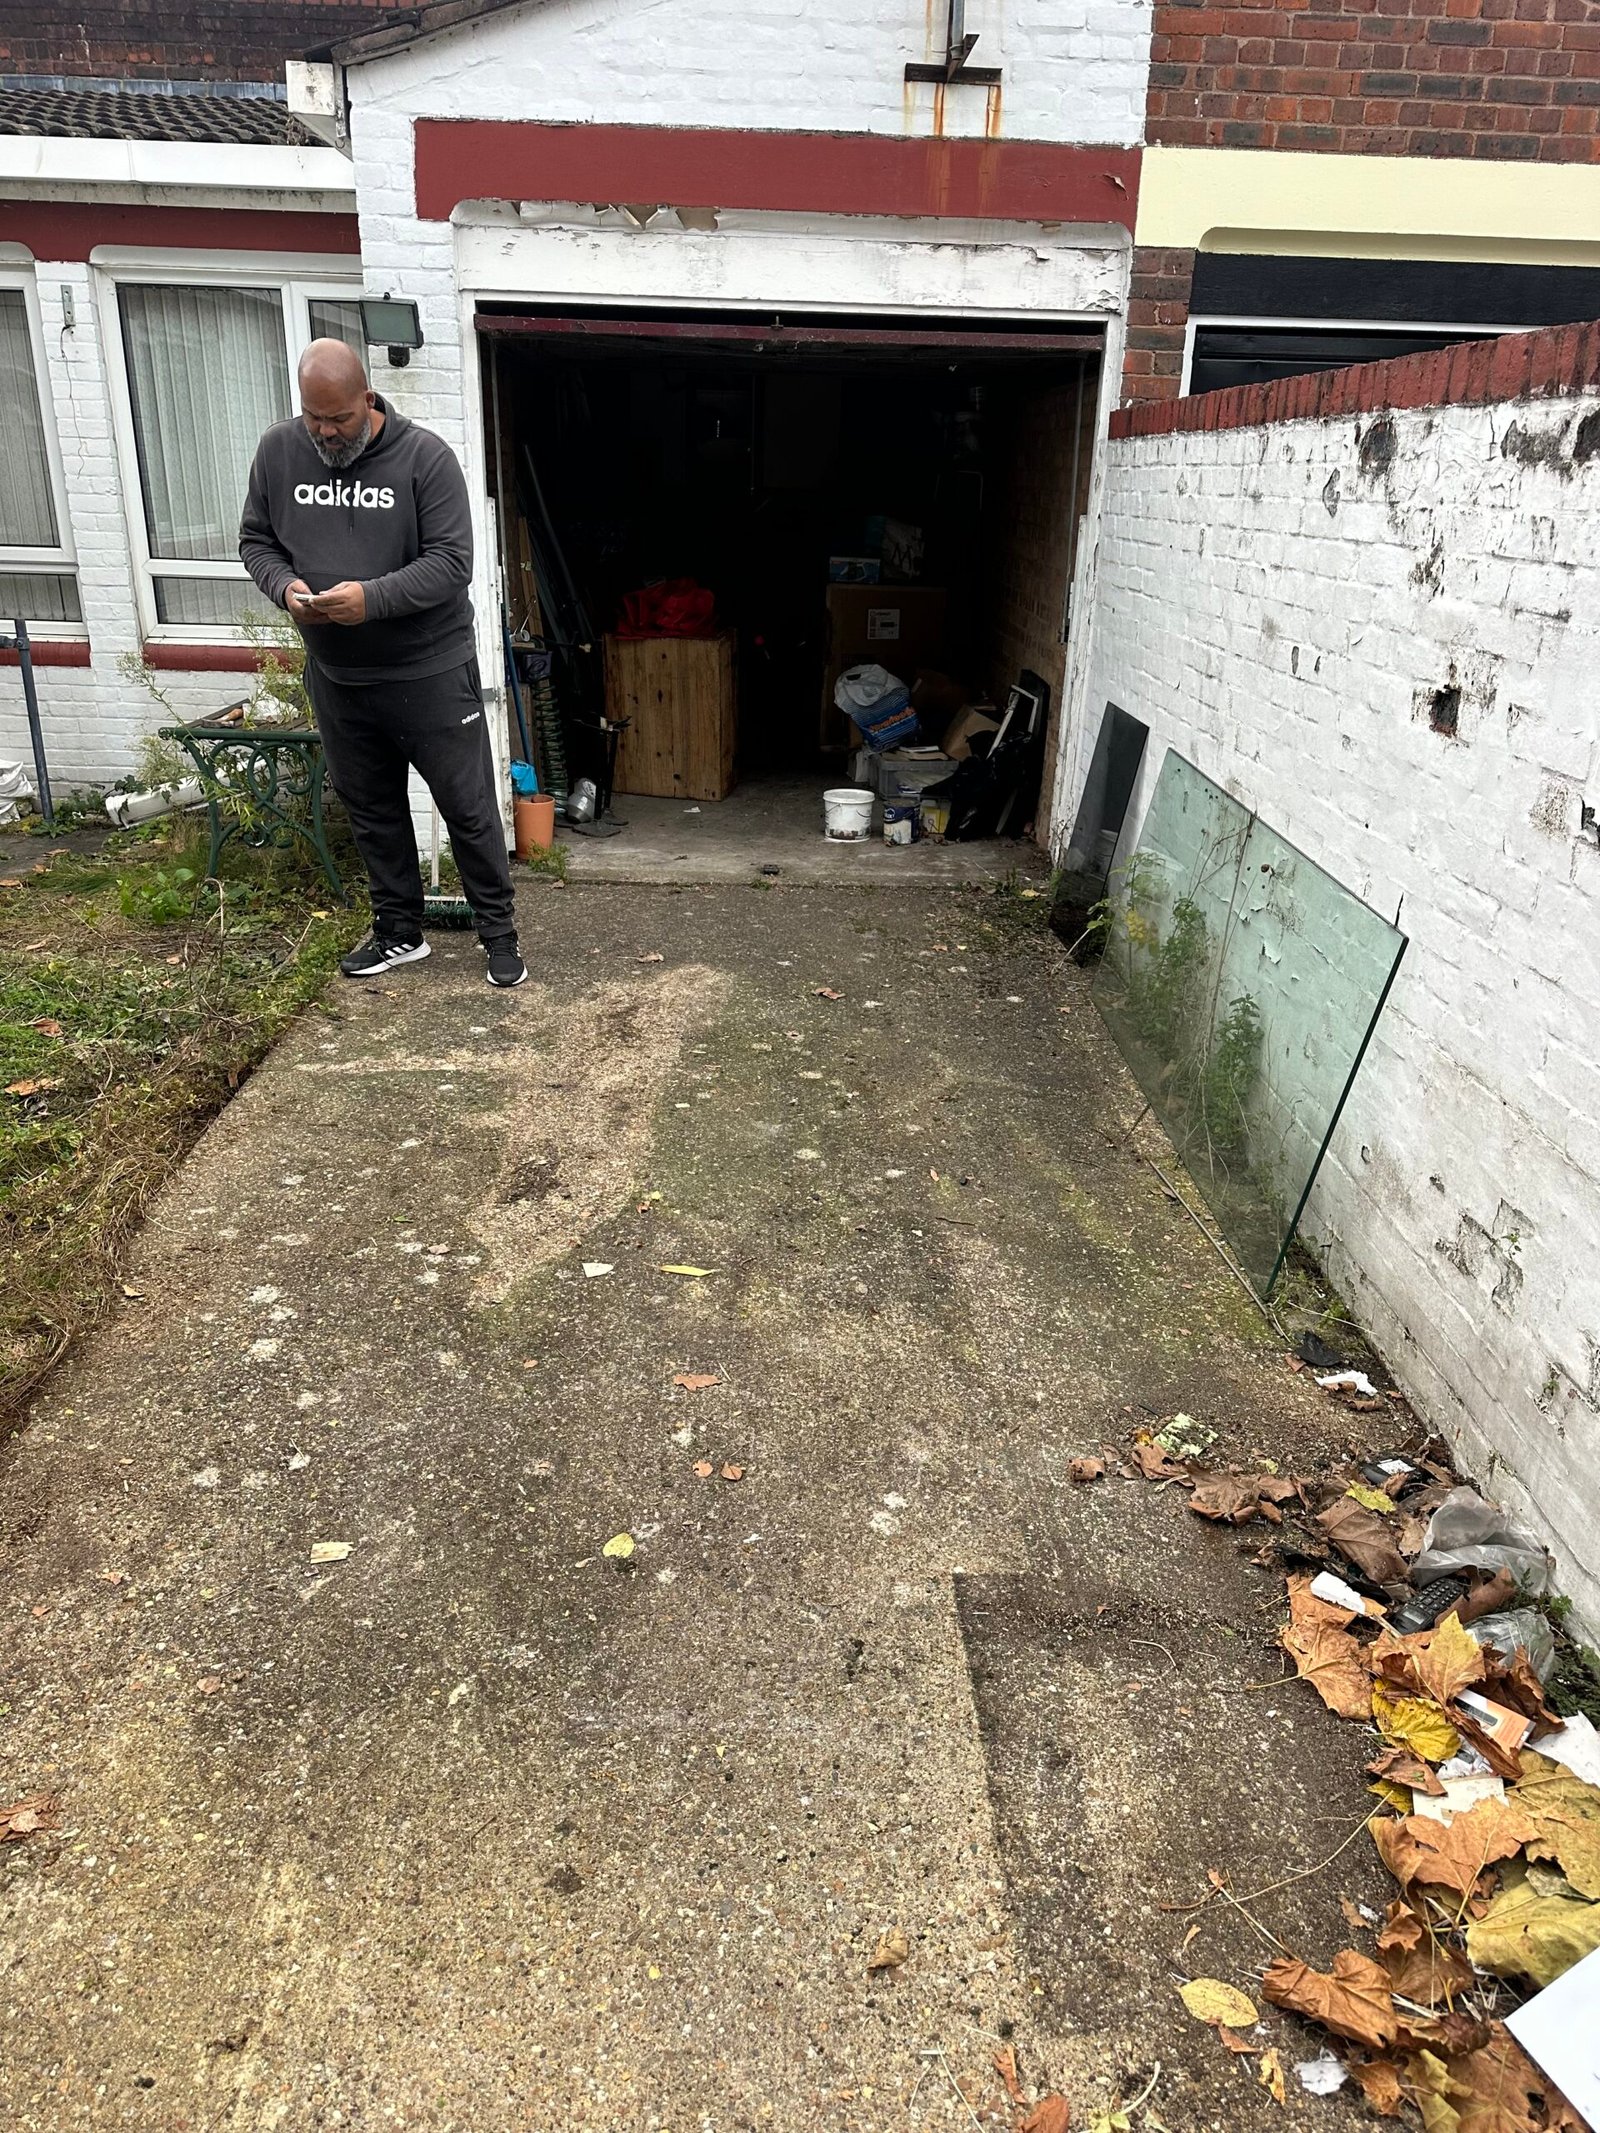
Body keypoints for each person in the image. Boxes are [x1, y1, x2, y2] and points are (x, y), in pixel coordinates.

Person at [239, 339, 526, 988]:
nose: (323, 432)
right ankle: (399, 932)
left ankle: (499, 934)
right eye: (312, 417)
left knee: (469, 807)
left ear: (367, 400)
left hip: (428, 672)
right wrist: (285, 587)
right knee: (372, 810)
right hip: (339, 678)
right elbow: (256, 540)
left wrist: (371, 600)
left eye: (337, 419)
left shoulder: (424, 459)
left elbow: (453, 566)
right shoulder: (278, 452)